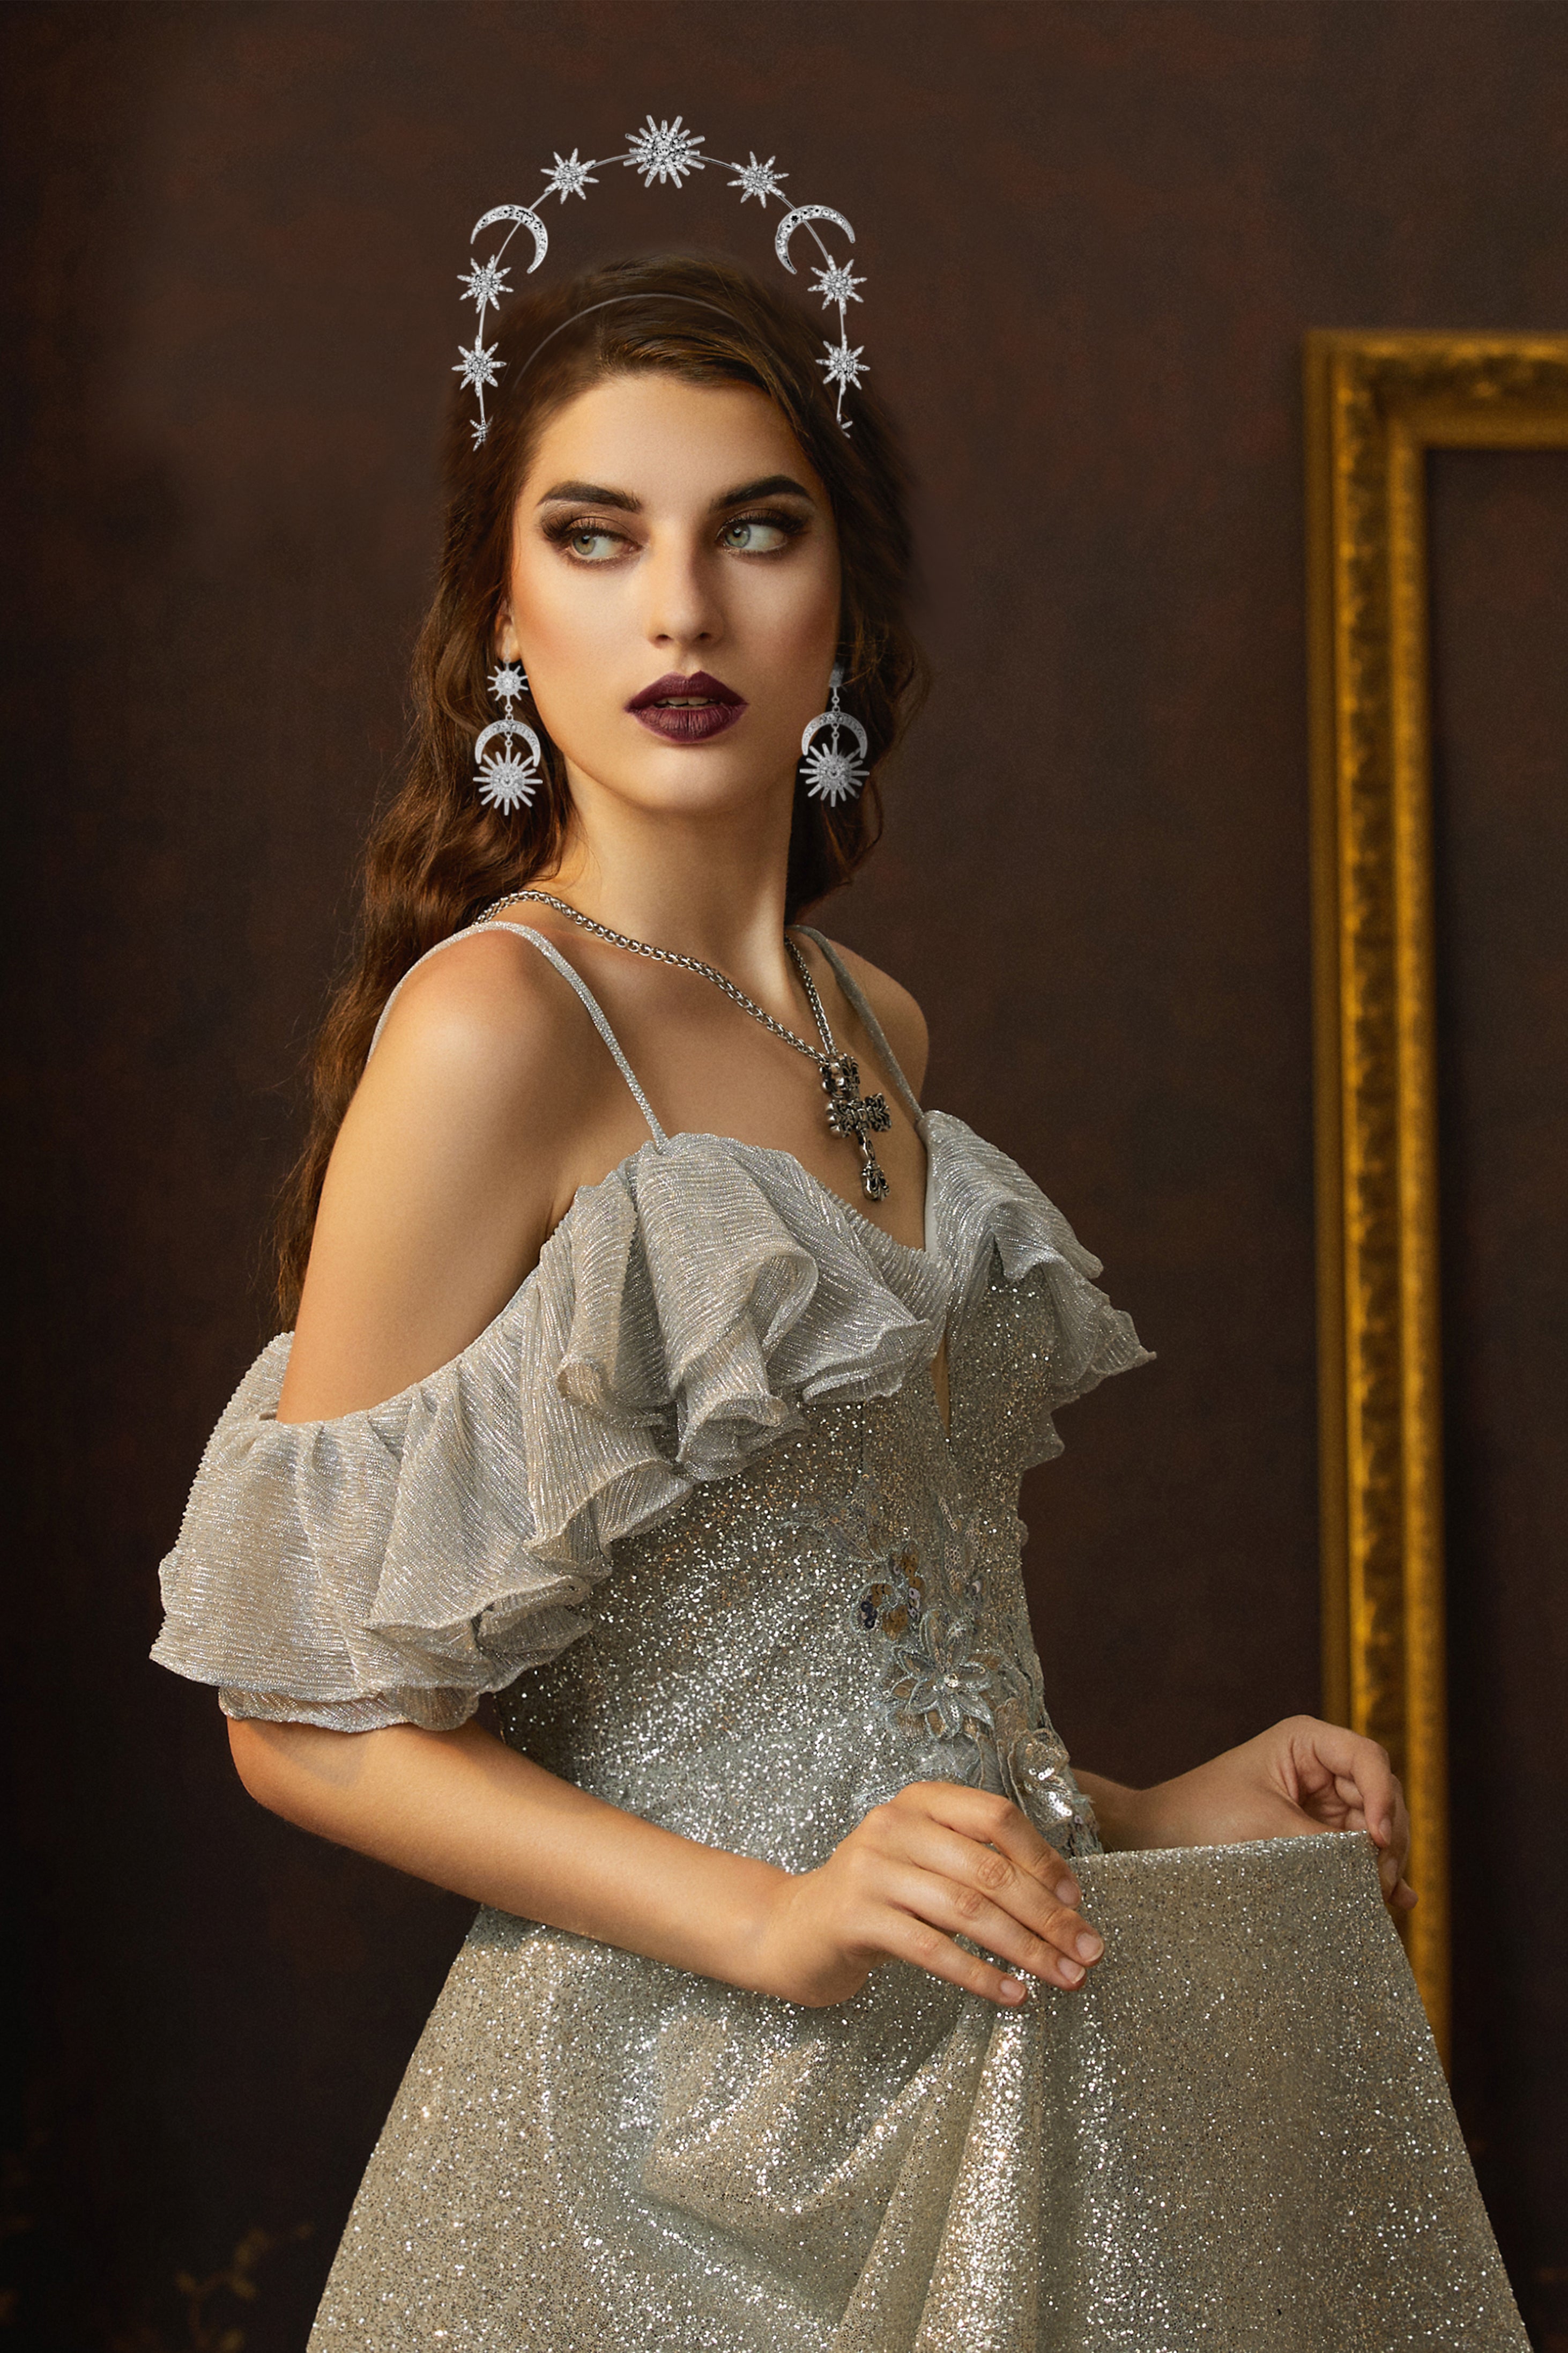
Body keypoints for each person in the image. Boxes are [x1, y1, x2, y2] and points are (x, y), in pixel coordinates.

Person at [153, 252, 1524, 2348]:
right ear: (501, 617)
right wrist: (772, 1919)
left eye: (755, 529)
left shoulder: (877, 1021)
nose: (680, 611)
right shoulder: (495, 1027)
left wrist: (1144, 1810)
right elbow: (301, 1720)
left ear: (847, 607)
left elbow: (865, 1637)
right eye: (595, 536)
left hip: (987, 2084)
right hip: (656, 2168)